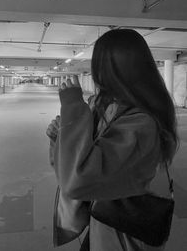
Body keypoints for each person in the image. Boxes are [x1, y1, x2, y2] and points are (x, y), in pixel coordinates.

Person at [46, 29, 178, 251]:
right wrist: (62, 137)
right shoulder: (106, 109)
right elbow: (67, 170)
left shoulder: (141, 124)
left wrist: (72, 108)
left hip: (124, 235)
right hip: (102, 223)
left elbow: (77, 182)